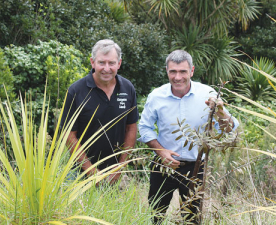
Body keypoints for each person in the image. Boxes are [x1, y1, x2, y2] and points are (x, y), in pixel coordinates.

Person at [138, 50, 239, 224]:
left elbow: (230, 129)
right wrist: (161, 152)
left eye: (183, 72)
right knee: (156, 216)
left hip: (196, 167)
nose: (177, 77)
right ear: (167, 71)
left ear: (191, 71)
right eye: (173, 72)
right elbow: (145, 127)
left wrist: (221, 112)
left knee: (192, 219)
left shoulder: (208, 94)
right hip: (162, 166)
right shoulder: (156, 96)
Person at [61, 39, 138, 184]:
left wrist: (120, 167)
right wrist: (91, 171)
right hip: (80, 175)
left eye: (112, 63)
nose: (106, 68)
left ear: (119, 64)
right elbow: (69, 135)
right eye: (101, 62)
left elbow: (131, 127)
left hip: (116, 175)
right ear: (92, 62)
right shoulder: (76, 91)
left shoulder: (128, 88)